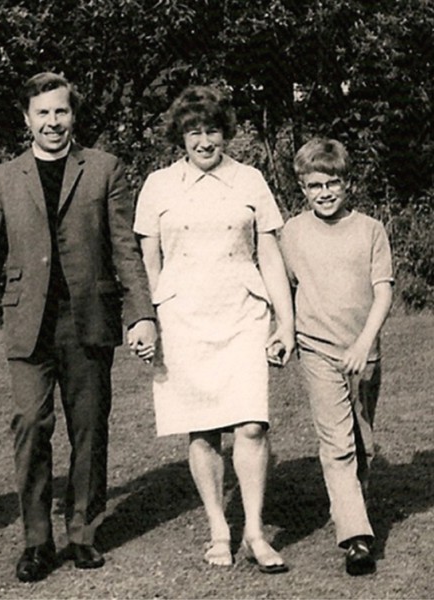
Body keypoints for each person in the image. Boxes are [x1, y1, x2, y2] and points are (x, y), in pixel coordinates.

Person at [0, 72, 156, 582]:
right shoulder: (3, 178)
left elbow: (125, 249)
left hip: (88, 320)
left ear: (73, 115)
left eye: (61, 112)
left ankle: (83, 533)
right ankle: (37, 541)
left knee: (89, 429)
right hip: (27, 325)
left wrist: (142, 314)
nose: (53, 122)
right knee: (31, 427)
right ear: (27, 119)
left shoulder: (105, 169)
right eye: (43, 113)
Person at [134, 86, 294, 573]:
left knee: (251, 423)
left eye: (212, 130)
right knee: (202, 429)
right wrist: (153, 319)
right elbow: (148, 260)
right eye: (194, 132)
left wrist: (285, 322)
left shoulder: (250, 181)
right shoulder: (159, 185)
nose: (204, 141)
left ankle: (253, 532)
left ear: (226, 132)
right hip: (183, 318)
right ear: (180, 137)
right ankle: (218, 530)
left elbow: (269, 253)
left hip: (243, 312)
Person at [280, 138, 394, 576]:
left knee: (363, 439)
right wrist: (282, 331)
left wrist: (365, 343)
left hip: (364, 350)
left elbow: (383, 290)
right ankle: (357, 539)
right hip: (317, 349)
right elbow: (281, 287)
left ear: (348, 184)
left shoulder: (370, 230)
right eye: (314, 185)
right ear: (302, 188)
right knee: (338, 443)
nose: (324, 193)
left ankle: (352, 508)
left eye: (332, 183)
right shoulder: (292, 232)